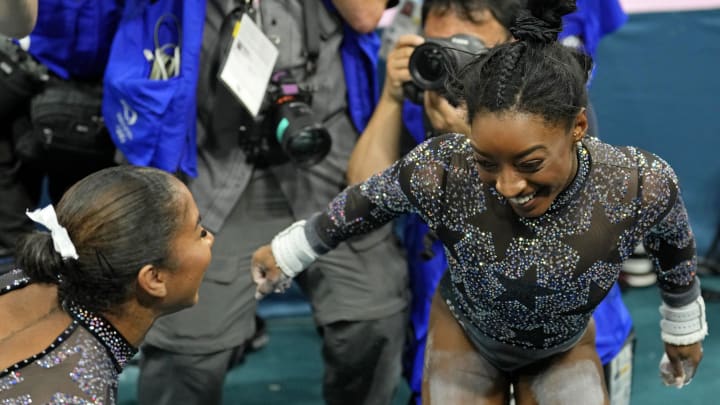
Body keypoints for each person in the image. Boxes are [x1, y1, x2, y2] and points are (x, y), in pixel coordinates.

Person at [252, 0, 707, 403]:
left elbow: (675, 247)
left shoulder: (637, 181)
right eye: (486, 161)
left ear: (579, 127)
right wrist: (292, 250)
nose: (507, 186)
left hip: (563, 349)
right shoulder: (443, 167)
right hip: (466, 337)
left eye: (529, 163)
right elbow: (360, 206)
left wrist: (682, 325)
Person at [349, 0, 632, 402]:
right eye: (440, 45)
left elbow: (562, 217)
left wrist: (475, 138)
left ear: (512, 46)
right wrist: (393, 99)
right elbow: (362, 195)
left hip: (561, 329)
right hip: (455, 325)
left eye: (468, 49)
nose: (453, 65)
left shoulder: (551, 103)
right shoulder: (424, 94)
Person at [138, 1, 409, 405]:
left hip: (323, 152)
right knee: (185, 352)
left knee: (373, 319)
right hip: (212, 156)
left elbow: (365, 14)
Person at [0, 165, 214, 403]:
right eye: (200, 232)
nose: (210, 238)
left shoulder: (28, 279)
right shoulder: (77, 393)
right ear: (154, 279)